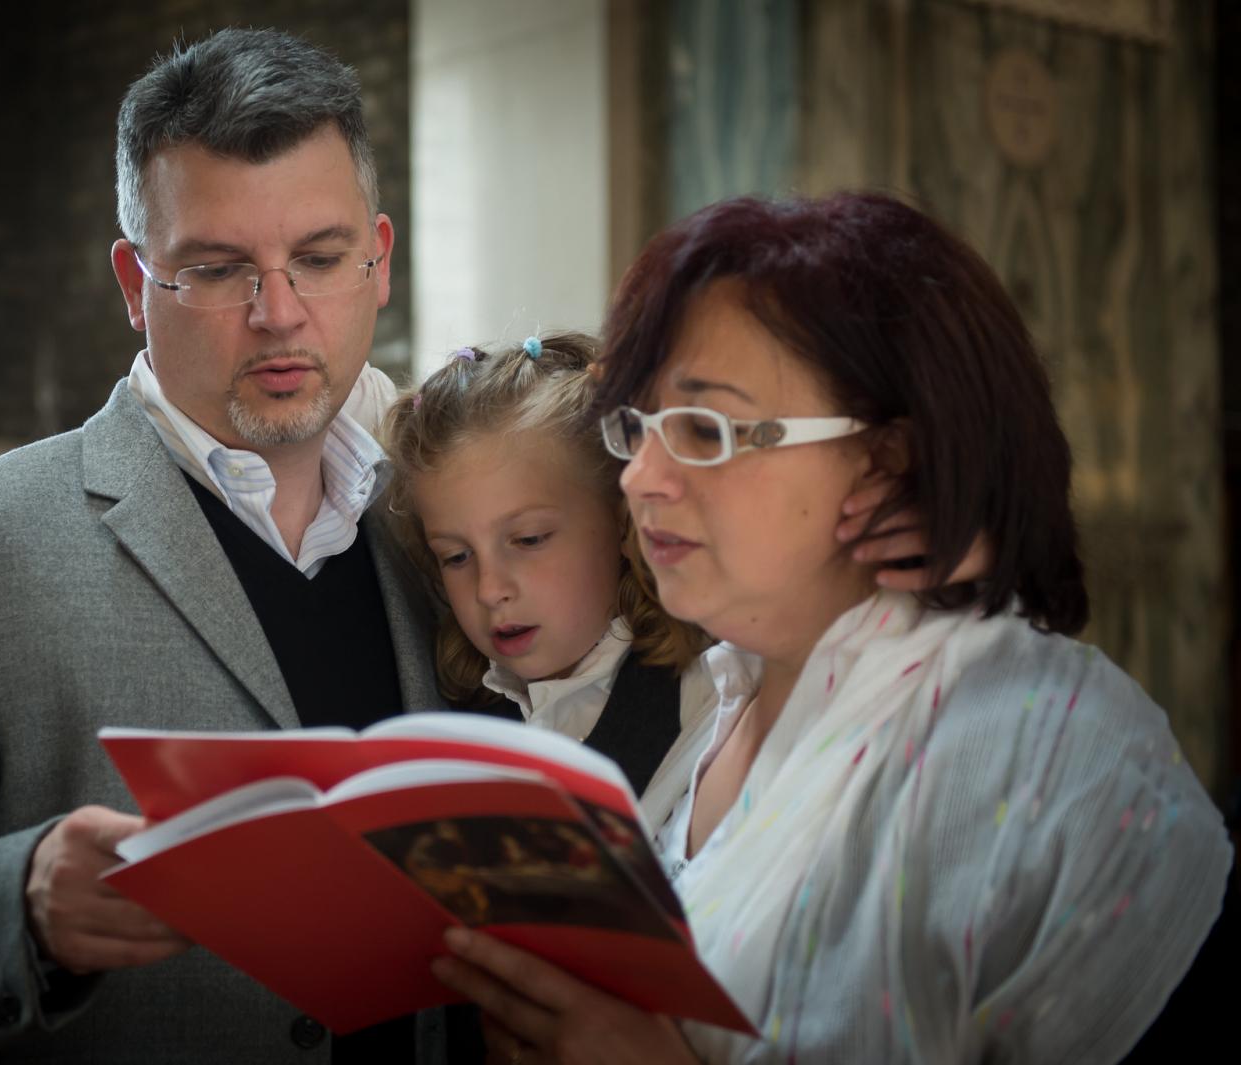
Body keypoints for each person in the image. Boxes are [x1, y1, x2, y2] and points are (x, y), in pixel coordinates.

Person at [0, 28, 445, 1065]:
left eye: (319, 257)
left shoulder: (443, 536)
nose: (280, 314)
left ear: (379, 259)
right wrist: (19, 913)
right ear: (133, 280)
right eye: (216, 270)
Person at [430, 192, 1233, 1063]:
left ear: (887, 457)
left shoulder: (1050, 750)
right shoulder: (734, 701)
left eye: (704, 427)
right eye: (641, 427)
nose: (642, 478)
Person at [381, 333, 715, 832]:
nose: (490, 589)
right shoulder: (456, 720)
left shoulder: (708, 701)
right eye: (456, 556)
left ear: (623, 521)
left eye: (530, 539)